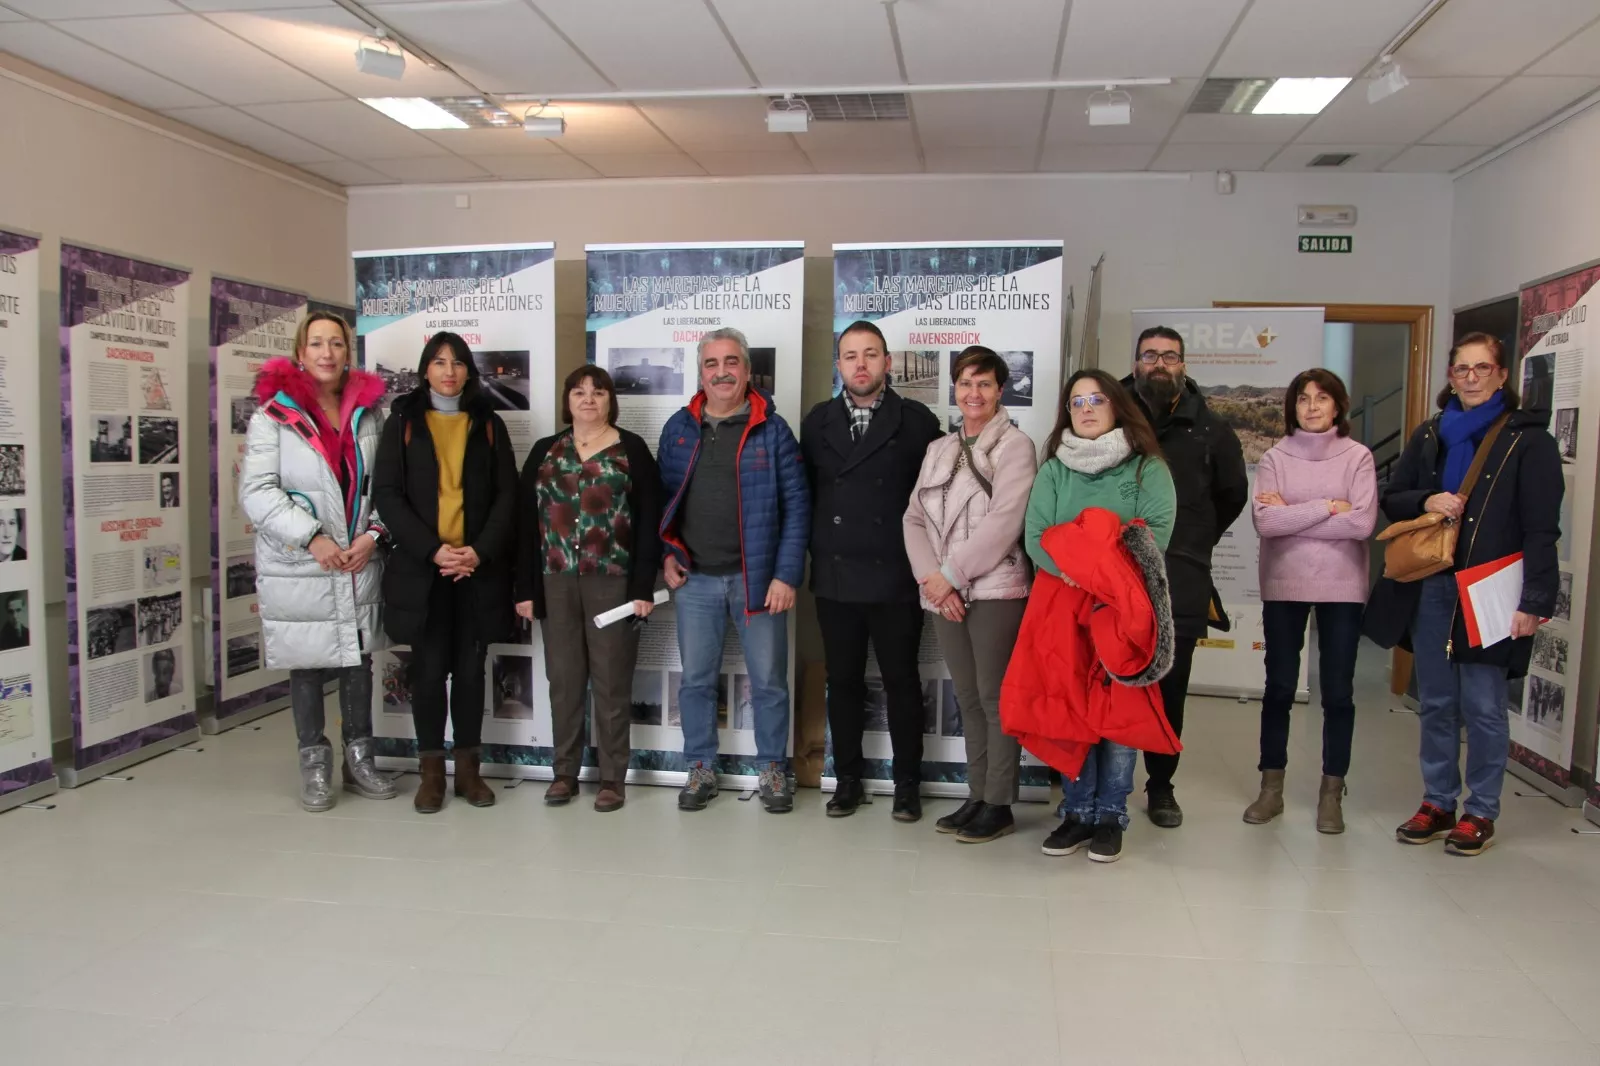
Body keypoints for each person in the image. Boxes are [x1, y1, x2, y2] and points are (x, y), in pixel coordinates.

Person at [1366, 332, 1562, 856]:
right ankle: (1438, 801)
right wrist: (1427, 499)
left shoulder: (1528, 441)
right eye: (1462, 369)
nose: (1471, 378)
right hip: (1432, 584)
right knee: (1436, 701)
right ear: (1450, 376)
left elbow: (1543, 529)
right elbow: (1393, 497)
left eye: (1482, 368)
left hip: (1492, 589)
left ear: (1502, 376)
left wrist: (1534, 602)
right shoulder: (1431, 433)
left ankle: (1481, 810)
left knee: (1483, 705)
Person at [239, 311, 396, 813]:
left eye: (336, 343)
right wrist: (312, 538)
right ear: (300, 353)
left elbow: (387, 486)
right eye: (316, 343)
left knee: (357, 659)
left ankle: (360, 759)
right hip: (301, 561)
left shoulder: (370, 414)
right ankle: (314, 763)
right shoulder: (272, 416)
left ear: (348, 352)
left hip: (358, 556)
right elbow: (258, 493)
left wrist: (374, 535)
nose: (327, 353)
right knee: (306, 662)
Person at [658, 327, 809, 813]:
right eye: (711, 363)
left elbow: (797, 507)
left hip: (758, 581)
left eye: (731, 362)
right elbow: (663, 502)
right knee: (695, 681)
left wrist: (786, 575)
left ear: (746, 370)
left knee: (769, 682)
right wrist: (667, 554)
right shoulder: (679, 428)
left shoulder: (773, 430)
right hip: (696, 580)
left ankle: (773, 769)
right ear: (701, 372)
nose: (721, 372)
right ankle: (700, 767)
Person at [1026, 370, 1175, 861]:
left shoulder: (1147, 467)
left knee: (1119, 712)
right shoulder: (1054, 470)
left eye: (1096, 399)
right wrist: (1081, 569)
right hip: (1064, 608)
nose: (1086, 409)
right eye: (1076, 402)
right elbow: (1037, 537)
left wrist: (1098, 571)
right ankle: (1076, 812)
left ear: (1117, 405)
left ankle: (1111, 815)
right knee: (1072, 707)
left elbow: (1154, 534)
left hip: (1124, 608)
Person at [373, 332, 517, 815]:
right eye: (439, 362)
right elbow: (387, 495)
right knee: (430, 673)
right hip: (425, 572)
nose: (449, 371)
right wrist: (434, 551)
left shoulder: (489, 422)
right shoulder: (402, 421)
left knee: (472, 673)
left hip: (476, 572)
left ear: (469, 371)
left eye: (457, 362)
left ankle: (469, 771)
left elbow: (507, 495)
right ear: (425, 370)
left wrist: (479, 551)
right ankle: (431, 773)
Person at [803, 320, 942, 821]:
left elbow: (936, 501)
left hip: (897, 575)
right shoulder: (817, 422)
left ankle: (907, 784)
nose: (860, 364)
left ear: (886, 362)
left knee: (902, 682)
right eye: (850, 355)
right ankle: (848, 781)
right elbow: (805, 496)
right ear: (838, 365)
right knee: (842, 681)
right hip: (836, 575)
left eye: (870, 354)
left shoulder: (918, 421)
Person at [516, 365, 663, 813]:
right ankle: (564, 773)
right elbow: (524, 525)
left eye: (598, 392)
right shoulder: (545, 451)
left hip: (613, 583)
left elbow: (650, 523)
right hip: (555, 580)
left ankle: (612, 779)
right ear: (567, 400)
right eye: (579, 392)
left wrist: (643, 587)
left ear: (610, 400)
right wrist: (525, 589)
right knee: (563, 680)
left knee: (612, 681)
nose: (588, 399)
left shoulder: (631, 450)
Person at [904, 346, 1037, 841]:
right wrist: (932, 580)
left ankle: (999, 803)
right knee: (968, 696)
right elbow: (913, 518)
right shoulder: (939, 449)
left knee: (995, 697)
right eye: (965, 383)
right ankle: (977, 794)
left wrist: (950, 577)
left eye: (984, 383)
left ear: (1000, 391)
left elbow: (1005, 523)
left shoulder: (1016, 446)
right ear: (955, 389)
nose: (973, 393)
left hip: (996, 591)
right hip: (944, 593)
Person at [1123, 326, 1247, 827]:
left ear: (1184, 365)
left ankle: (1160, 786)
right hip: (1112, 574)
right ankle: (1098, 785)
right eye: (1150, 355)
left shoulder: (1211, 429)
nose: (1159, 364)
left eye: (1169, 356)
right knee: (1106, 681)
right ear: (1135, 363)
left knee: (1170, 688)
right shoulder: (1109, 416)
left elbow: (1231, 496)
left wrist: (1192, 542)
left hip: (1181, 575)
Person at [1246, 369, 1377, 833]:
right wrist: (1328, 506)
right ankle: (1271, 789)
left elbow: (1362, 524)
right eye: (1303, 399)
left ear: (1338, 405)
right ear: (1293, 407)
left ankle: (1331, 794)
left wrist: (1293, 514)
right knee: (1279, 687)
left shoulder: (1358, 457)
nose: (1313, 407)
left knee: (1338, 692)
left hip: (1342, 587)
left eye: (1322, 398)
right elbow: (1266, 523)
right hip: (1284, 583)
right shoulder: (1275, 457)